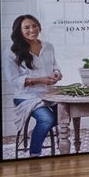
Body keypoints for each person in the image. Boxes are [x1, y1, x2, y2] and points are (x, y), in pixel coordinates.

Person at [6, 14, 61, 157]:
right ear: (19, 31)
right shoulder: (11, 52)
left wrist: (57, 73)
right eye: (27, 27)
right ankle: (34, 154)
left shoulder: (48, 46)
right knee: (47, 119)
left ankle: (37, 132)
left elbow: (54, 65)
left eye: (34, 25)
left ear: (39, 26)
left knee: (64, 115)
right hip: (26, 97)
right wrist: (39, 80)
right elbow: (13, 80)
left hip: (49, 93)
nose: (32, 29)